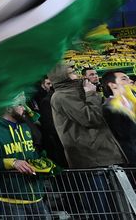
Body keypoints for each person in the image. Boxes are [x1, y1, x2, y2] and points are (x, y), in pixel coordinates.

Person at [48, 64, 125, 219]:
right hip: (91, 159)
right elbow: (91, 118)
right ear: (62, 76)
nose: (77, 74)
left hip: (104, 156)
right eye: (72, 72)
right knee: (102, 210)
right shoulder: (62, 96)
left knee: (118, 208)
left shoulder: (76, 91)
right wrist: (91, 94)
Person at [0, 103, 51, 218]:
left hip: (37, 196)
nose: (24, 108)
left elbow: (33, 153)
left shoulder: (25, 127)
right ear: (8, 108)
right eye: (20, 105)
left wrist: (43, 164)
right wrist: (12, 163)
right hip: (9, 201)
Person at [102, 71, 136, 164]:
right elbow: (123, 134)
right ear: (113, 85)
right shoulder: (109, 107)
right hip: (131, 157)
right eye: (124, 79)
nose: (130, 81)